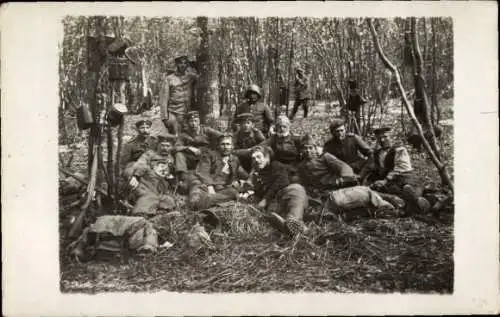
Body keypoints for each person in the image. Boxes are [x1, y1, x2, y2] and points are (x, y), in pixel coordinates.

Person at [367, 127, 431, 214]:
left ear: (391, 136)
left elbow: (401, 168)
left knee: (407, 188)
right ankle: (406, 205)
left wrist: (385, 181)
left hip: (404, 177)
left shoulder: (400, 150)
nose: (382, 140)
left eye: (385, 137)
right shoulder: (378, 153)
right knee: (378, 191)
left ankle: (420, 203)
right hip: (391, 182)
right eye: (379, 138)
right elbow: (376, 168)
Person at [249, 146, 308, 237]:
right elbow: (256, 192)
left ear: (266, 158)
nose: (256, 160)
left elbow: (283, 181)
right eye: (253, 158)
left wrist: (265, 199)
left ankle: (294, 222)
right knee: (272, 214)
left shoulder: (276, 166)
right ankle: (293, 228)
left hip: (285, 194)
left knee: (297, 189)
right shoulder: (255, 175)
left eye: (259, 157)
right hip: (274, 205)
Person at [187, 134, 249, 210]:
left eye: (228, 144)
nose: (225, 147)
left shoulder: (234, 160)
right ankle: (210, 205)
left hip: (220, 189)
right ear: (218, 146)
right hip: (203, 184)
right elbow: (203, 172)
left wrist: (243, 181)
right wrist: (210, 186)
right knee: (194, 200)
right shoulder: (209, 155)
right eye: (223, 144)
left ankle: (207, 204)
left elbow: (244, 174)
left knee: (233, 193)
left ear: (232, 146)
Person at [122, 135, 177, 216]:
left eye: (167, 146)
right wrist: (135, 177)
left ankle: (156, 212)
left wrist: (171, 179)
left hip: (160, 186)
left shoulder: (171, 158)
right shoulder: (149, 154)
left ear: (171, 147)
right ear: (158, 145)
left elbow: (171, 174)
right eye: (162, 145)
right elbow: (139, 165)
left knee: (169, 201)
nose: (165, 148)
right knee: (147, 196)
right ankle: (140, 213)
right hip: (147, 182)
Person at [174, 111, 224, 183]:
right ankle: (183, 176)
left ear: (199, 121)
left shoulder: (206, 129)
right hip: (192, 157)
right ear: (188, 122)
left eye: (195, 121)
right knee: (179, 155)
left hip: (205, 157)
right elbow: (176, 147)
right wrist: (189, 148)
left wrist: (217, 148)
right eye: (191, 121)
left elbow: (221, 136)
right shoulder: (184, 133)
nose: (193, 123)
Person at [159, 54, 199, 135]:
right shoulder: (169, 79)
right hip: (173, 112)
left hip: (187, 113)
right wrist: (164, 117)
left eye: (185, 63)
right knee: (175, 136)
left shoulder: (191, 77)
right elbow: (164, 98)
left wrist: (194, 65)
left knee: (187, 136)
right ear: (176, 64)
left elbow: (201, 77)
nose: (183, 65)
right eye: (180, 63)